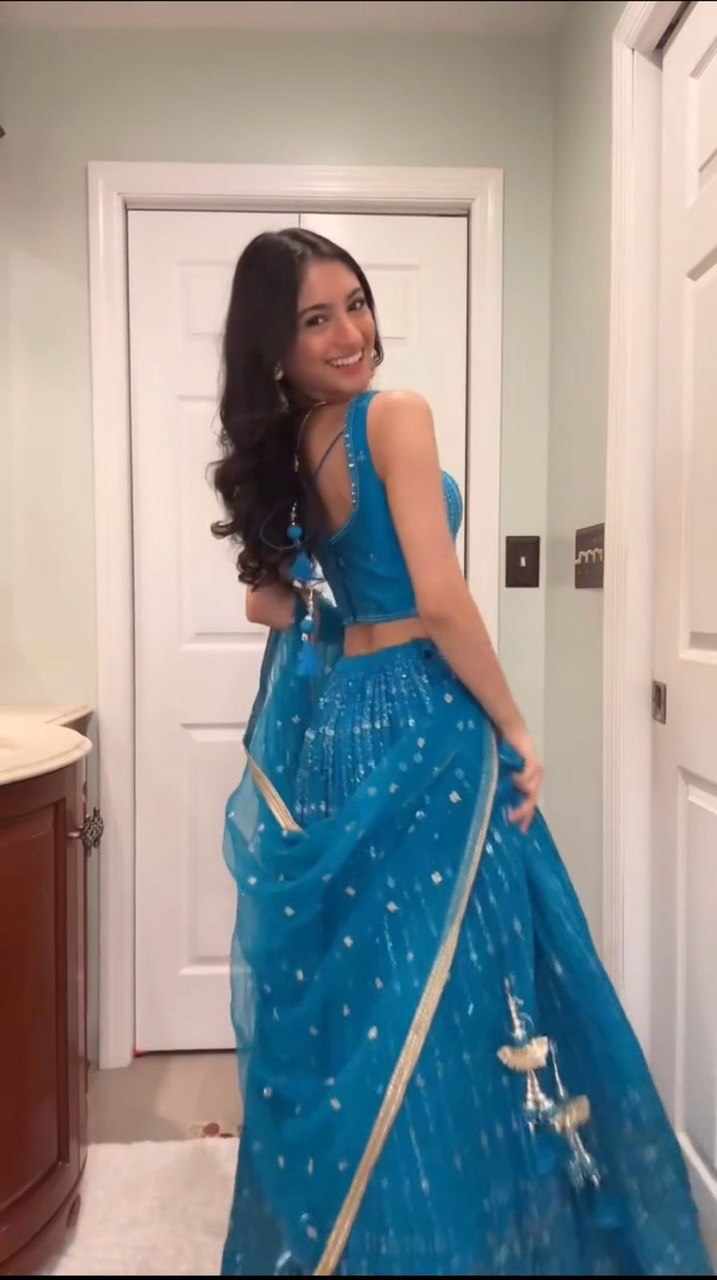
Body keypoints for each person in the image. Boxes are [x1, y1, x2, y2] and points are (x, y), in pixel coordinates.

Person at [210, 228, 712, 1277]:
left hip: (345, 726)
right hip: (423, 716)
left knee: (377, 994)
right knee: (463, 986)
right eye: (315, 320)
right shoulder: (392, 415)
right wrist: (517, 724)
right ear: (276, 349)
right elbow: (440, 601)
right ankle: (466, 1238)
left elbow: (269, 599)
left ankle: (385, 1235)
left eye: (356, 302)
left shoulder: (294, 448)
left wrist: (330, 614)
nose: (351, 333)